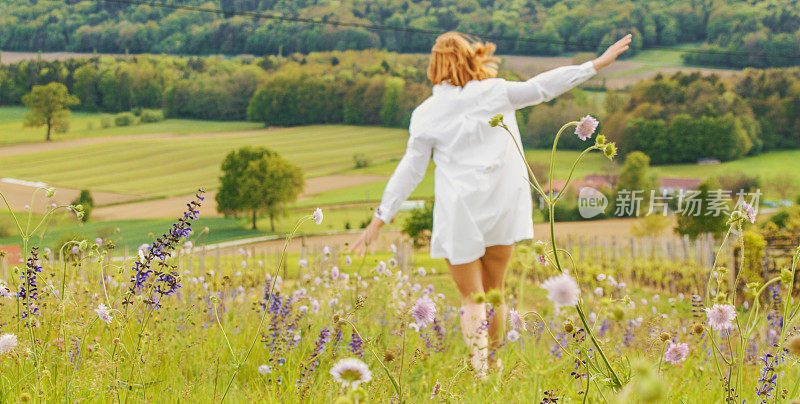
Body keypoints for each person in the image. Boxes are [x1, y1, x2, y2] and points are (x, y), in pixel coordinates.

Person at [350, 31, 631, 377]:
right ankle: (494, 367)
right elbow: (542, 86)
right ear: (472, 59)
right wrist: (594, 65)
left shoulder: (427, 113)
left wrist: (380, 220)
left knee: (473, 298)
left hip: (460, 214)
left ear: (433, 66)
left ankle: (480, 372)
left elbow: (410, 170)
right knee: (495, 291)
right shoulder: (496, 92)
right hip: (502, 207)